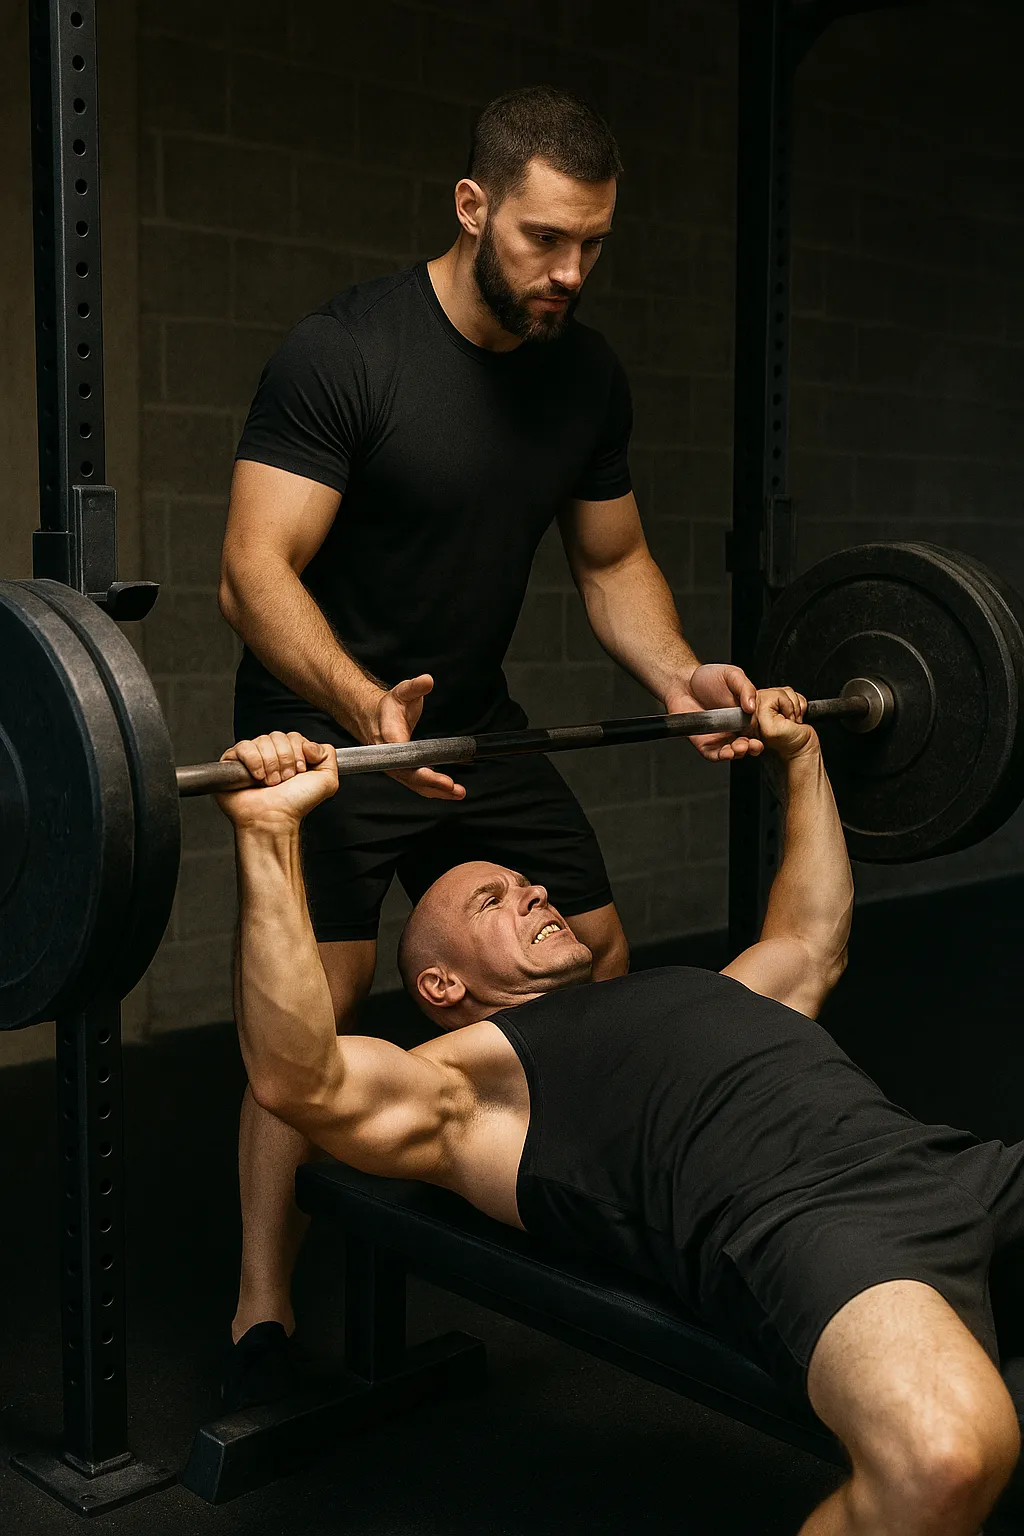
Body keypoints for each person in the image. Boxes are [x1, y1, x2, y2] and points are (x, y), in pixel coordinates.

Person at [218, 83, 760, 1401]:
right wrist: (360, 710)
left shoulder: (584, 375)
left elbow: (613, 558)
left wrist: (680, 674)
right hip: (330, 732)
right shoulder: (347, 354)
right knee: (316, 1020)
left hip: (474, 721)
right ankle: (263, 1313)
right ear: (472, 207)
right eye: (542, 240)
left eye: (592, 245)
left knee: (600, 950)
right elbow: (252, 574)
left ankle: (531, 1183)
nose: (570, 271)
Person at [217, 692, 1024, 1536]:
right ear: (441, 986)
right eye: (492, 902)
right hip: (815, 1222)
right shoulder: (475, 1081)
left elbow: (814, 938)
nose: (533, 894)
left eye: (528, 884)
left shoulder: (695, 991)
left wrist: (804, 757)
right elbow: (297, 1077)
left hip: (953, 1163)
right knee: (945, 1458)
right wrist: (269, 837)